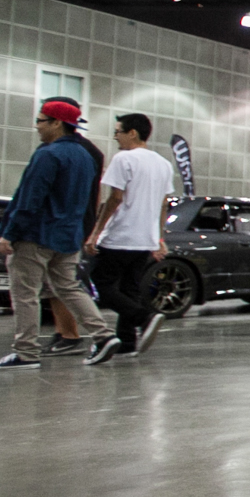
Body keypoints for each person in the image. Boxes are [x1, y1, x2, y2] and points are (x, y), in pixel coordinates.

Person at [0, 100, 113, 370]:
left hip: (36, 235)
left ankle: (26, 352)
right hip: (68, 237)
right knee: (69, 287)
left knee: (25, 293)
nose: (37, 126)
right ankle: (103, 335)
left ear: (56, 123)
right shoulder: (86, 157)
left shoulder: (48, 154)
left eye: (41, 121)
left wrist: (10, 233)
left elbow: (29, 199)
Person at [84, 112, 176, 363]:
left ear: (132, 133)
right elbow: (163, 204)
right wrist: (159, 238)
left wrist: (96, 233)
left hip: (121, 235)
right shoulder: (163, 164)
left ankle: (143, 318)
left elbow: (115, 198)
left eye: (118, 132)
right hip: (144, 239)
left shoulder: (123, 158)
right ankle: (127, 342)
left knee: (98, 285)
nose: (115, 137)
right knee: (129, 288)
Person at [38, 95, 105, 357]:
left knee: (61, 283)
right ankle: (66, 332)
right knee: (61, 283)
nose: (38, 124)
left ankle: (70, 335)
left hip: (61, 224)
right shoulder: (90, 150)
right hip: (77, 222)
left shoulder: (63, 150)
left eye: (42, 118)